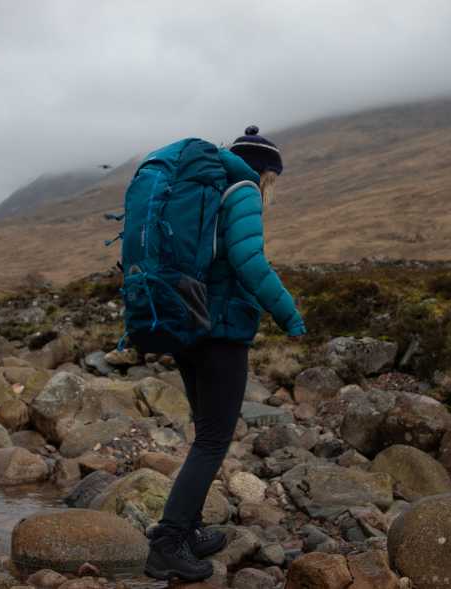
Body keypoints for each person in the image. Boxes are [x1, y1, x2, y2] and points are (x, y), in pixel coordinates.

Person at [143, 126, 306, 582]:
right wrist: (290, 315)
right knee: (214, 440)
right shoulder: (244, 192)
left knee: (204, 434)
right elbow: (250, 263)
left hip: (185, 326)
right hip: (222, 332)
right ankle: (168, 543)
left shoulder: (202, 192)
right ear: (267, 171)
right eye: (274, 176)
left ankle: (189, 529)